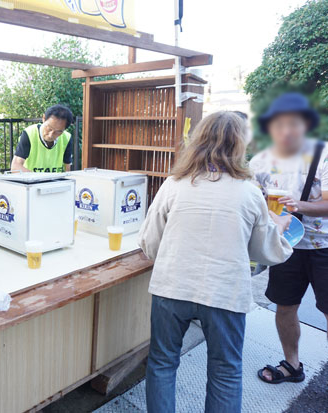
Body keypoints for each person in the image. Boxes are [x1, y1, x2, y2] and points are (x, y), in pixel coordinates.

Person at [139, 111, 293, 413]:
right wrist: (280, 230)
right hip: (225, 292)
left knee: (162, 363)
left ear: (198, 140)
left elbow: (150, 242)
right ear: (239, 144)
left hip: (172, 286)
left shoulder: (174, 184)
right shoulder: (250, 193)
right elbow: (267, 253)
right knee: (225, 372)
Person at [250, 93, 327, 384]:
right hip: (285, 244)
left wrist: (299, 205)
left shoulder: (323, 154)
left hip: (323, 245)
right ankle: (292, 365)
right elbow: (250, 197)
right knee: (285, 305)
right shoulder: (261, 161)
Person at [10, 104, 74, 173]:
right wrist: (38, 177)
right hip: (30, 179)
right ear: (44, 118)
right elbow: (15, 167)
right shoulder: (29, 134)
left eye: (58, 132)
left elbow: (68, 169)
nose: (51, 135)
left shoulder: (66, 138)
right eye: (49, 128)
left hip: (55, 179)